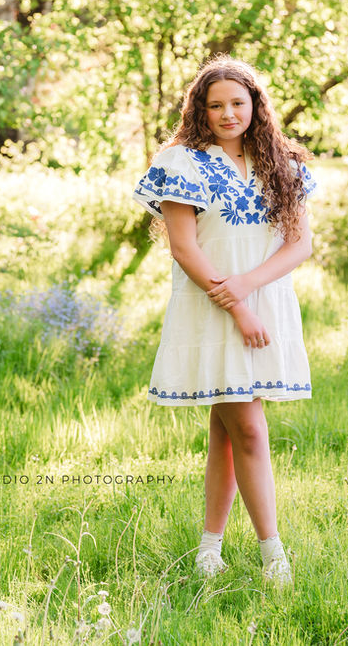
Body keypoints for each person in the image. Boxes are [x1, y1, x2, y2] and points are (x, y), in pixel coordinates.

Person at [132, 56, 318, 587]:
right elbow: (184, 248)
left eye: (238, 102)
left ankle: (209, 551)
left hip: (267, 305)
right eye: (215, 105)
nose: (228, 113)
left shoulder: (284, 162)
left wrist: (250, 287)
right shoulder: (180, 163)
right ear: (200, 109)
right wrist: (235, 302)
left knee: (227, 432)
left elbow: (300, 243)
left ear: (256, 105)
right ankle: (273, 555)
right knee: (251, 432)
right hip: (213, 308)